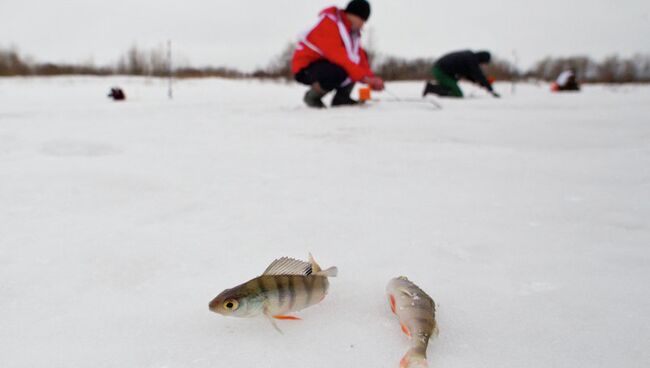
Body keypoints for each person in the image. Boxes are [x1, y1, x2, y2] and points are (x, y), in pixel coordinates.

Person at [292, 0, 385, 108]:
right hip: (305, 69)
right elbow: (339, 58)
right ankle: (312, 97)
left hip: (326, 64)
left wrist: (371, 78)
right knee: (339, 70)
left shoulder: (352, 33)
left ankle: (341, 99)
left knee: (352, 64)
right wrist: (365, 79)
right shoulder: (329, 24)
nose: (362, 25)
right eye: (362, 20)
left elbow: (360, 58)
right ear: (352, 15)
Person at [422, 50, 500, 98]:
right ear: (483, 59)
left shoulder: (469, 57)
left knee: (453, 84)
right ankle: (431, 88)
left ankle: (434, 88)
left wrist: (482, 84)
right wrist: (490, 89)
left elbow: (469, 76)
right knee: (457, 93)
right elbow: (478, 76)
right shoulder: (471, 59)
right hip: (440, 70)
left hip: (444, 70)